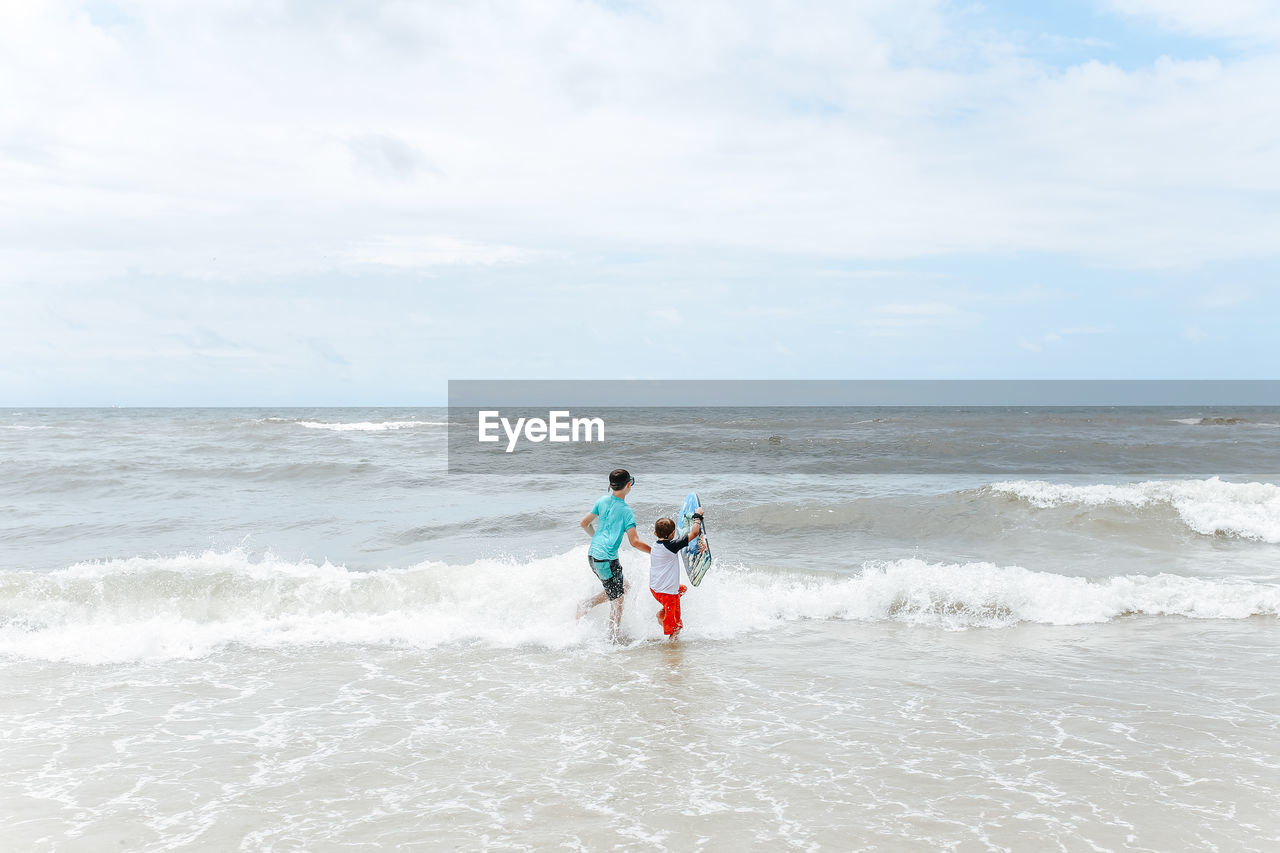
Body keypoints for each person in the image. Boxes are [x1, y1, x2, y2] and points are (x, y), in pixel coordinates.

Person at [577, 468, 651, 638]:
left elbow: (584, 523)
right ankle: (612, 637)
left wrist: (596, 537)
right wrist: (655, 552)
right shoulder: (627, 511)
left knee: (624, 587)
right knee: (618, 600)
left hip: (593, 555)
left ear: (610, 486)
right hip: (606, 560)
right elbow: (635, 542)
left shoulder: (602, 500)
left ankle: (588, 605)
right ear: (628, 485)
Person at [649, 508, 703, 638]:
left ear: (655, 533)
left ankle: (665, 614)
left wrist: (696, 547)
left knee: (682, 589)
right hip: (667, 594)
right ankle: (672, 648)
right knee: (676, 627)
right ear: (673, 533)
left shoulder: (657, 545)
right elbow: (694, 532)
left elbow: (681, 541)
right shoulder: (673, 546)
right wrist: (698, 517)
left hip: (655, 589)